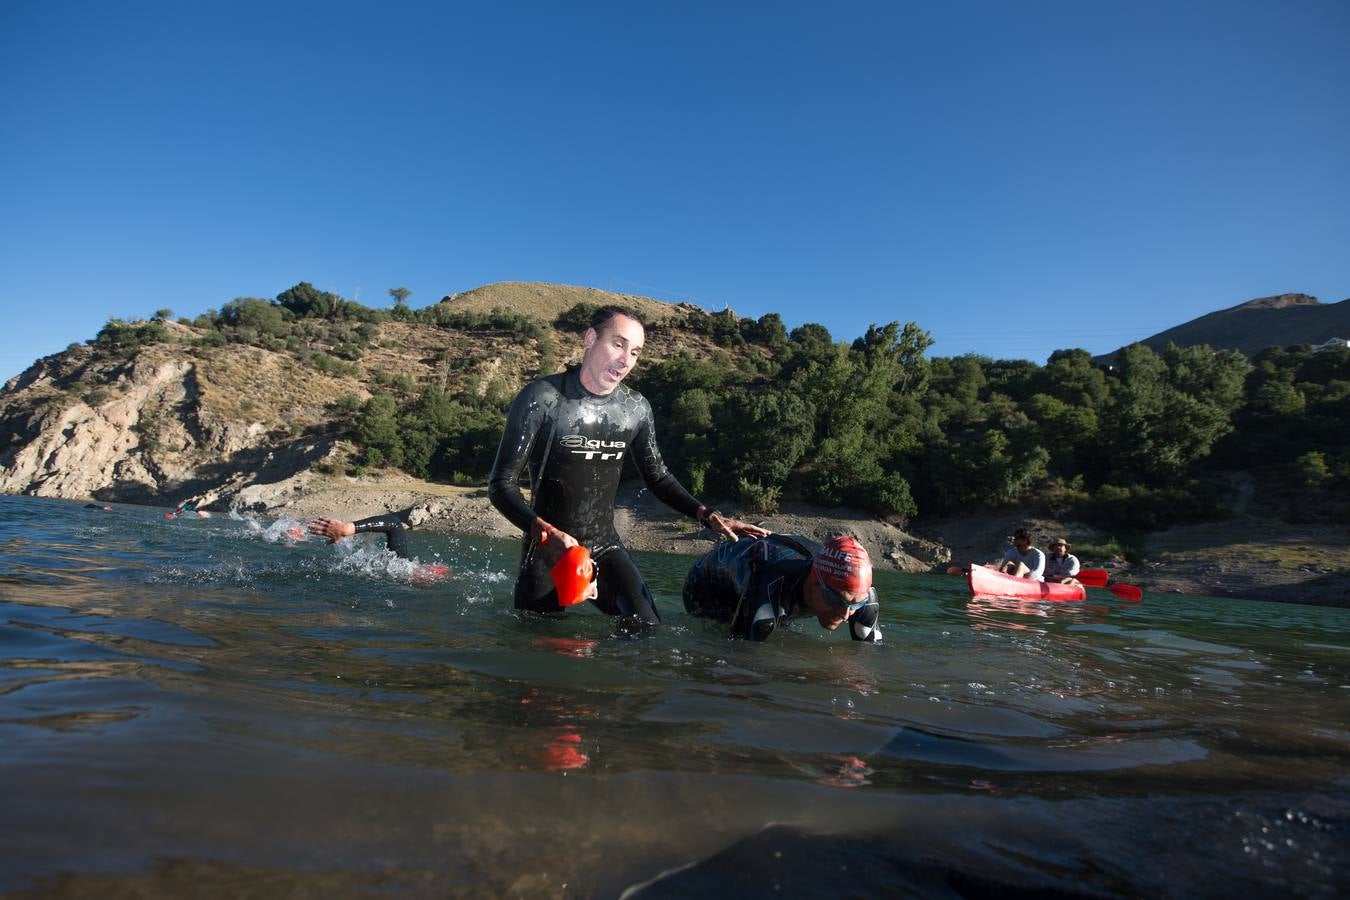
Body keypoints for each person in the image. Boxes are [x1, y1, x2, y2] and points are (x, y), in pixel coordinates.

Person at [488, 304, 767, 624]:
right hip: (547, 553)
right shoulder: (544, 397)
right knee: (542, 650)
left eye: (635, 352)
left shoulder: (634, 409)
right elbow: (501, 485)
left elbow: (658, 477)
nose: (625, 360)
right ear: (590, 339)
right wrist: (546, 534)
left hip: (604, 545)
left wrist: (709, 516)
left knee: (646, 629)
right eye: (618, 344)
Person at [683, 533, 881, 642]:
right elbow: (741, 660)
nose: (846, 614)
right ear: (814, 581)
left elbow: (870, 656)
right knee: (744, 633)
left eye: (855, 605)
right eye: (834, 600)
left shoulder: (861, 596)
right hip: (707, 584)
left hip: (775, 569)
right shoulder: (773, 585)